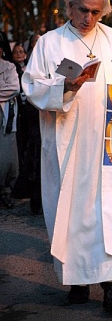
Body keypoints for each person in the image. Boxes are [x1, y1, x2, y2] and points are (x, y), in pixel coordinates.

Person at [22, 0, 112, 308]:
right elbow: (32, 86)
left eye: (96, 12)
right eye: (83, 10)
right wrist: (65, 87)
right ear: (70, 7)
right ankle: (77, 282)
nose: (89, 18)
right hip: (68, 144)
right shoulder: (50, 43)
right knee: (72, 213)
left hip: (107, 143)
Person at [10, 42, 42, 214]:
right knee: (35, 162)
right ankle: (35, 197)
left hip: (44, 120)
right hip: (33, 121)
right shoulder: (27, 72)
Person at [0, 43, 20, 209]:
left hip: (5, 116)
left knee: (6, 158)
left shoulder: (9, 67)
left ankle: (5, 191)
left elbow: (13, 88)